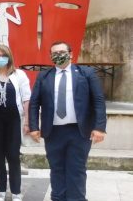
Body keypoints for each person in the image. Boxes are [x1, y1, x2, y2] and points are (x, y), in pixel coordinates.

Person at [29, 41, 107, 201]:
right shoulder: (44, 76)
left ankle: (77, 198)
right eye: (54, 53)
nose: (58, 55)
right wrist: (34, 127)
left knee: (77, 169)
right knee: (56, 168)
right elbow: (34, 102)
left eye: (62, 52)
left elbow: (98, 100)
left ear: (71, 54)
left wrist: (99, 127)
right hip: (53, 132)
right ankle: (58, 198)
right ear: (51, 56)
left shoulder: (86, 73)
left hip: (79, 131)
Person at [0, 44, 31, 201]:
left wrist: (27, 122)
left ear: (9, 56)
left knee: (13, 155)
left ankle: (16, 192)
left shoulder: (19, 75)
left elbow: (26, 99)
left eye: (3, 55)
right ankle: (0, 190)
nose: (0, 58)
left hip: (14, 121)